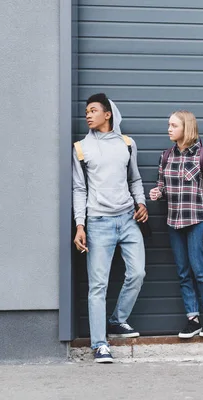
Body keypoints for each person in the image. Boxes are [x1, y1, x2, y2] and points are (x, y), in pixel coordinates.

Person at [72, 93, 148, 363]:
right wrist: (80, 225)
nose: (88, 115)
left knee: (137, 272)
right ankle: (99, 344)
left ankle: (117, 320)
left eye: (93, 110)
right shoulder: (81, 148)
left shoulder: (127, 144)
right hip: (98, 223)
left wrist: (141, 202)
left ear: (108, 114)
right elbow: (79, 189)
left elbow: (135, 178)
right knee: (98, 286)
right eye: (86, 112)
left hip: (128, 219)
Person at [149, 110, 203, 338]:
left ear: (186, 128)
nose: (168, 129)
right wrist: (157, 192)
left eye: (173, 125)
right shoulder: (166, 156)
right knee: (182, 272)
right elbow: (162, 185)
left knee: (200, 268)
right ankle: (193, 319)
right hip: (174, 222)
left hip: (197, 220)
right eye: (168, 125)